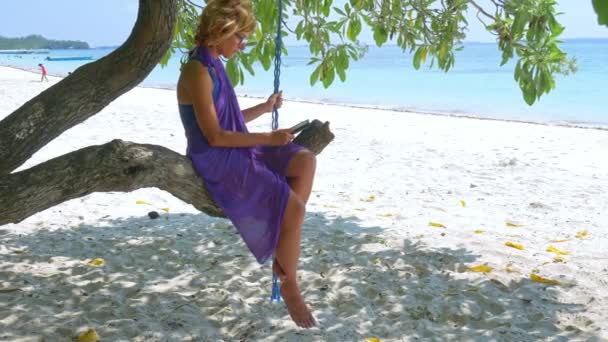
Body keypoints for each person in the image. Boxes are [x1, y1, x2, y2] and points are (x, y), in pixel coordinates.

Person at [176, 0, 317, 328]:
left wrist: (265, 109)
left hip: (234, 145)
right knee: (295, 210)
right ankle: (289, 282)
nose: (242, 45)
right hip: (216, 158)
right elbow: (214, 136)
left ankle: (282, 239)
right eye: (240, 37)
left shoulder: (214, 62)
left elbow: (230, 119)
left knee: (305, 161)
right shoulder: (197, 70)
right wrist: (268, 139)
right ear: (220, 31)